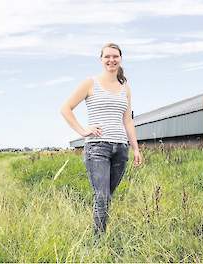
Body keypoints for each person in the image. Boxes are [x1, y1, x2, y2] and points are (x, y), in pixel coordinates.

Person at [61, 43, 143, 235]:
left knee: (107, 196)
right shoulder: (90, 83)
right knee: (102, 196)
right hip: (97, 147)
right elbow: (65, 108)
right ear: (101, 60)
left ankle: (102, 231)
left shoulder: (125, 88)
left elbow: (128, 120)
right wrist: (82, 131)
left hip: (121, 149)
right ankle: (97, 241)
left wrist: (136, 148)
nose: (111, 60)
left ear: (120, 59)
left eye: (115, 56)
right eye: (107, 56)